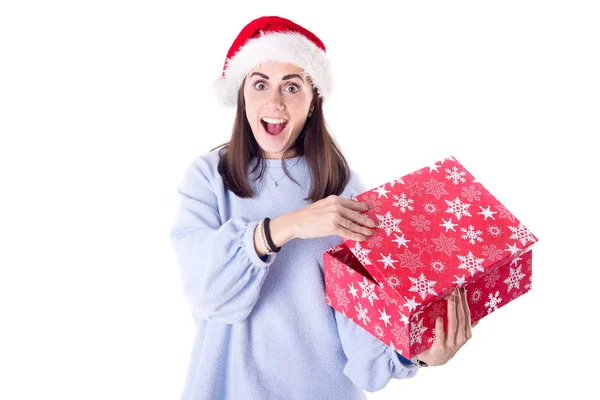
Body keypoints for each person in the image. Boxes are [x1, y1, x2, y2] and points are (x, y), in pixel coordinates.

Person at [168, 15, 475, 400]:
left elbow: (364, 339)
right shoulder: (208, 178)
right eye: (260, 84)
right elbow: (207, 292)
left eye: (292, 87)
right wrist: (285, 227)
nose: (274, 102)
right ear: (243, 94)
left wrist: (416, 353)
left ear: (313, 102)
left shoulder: (342, 187)